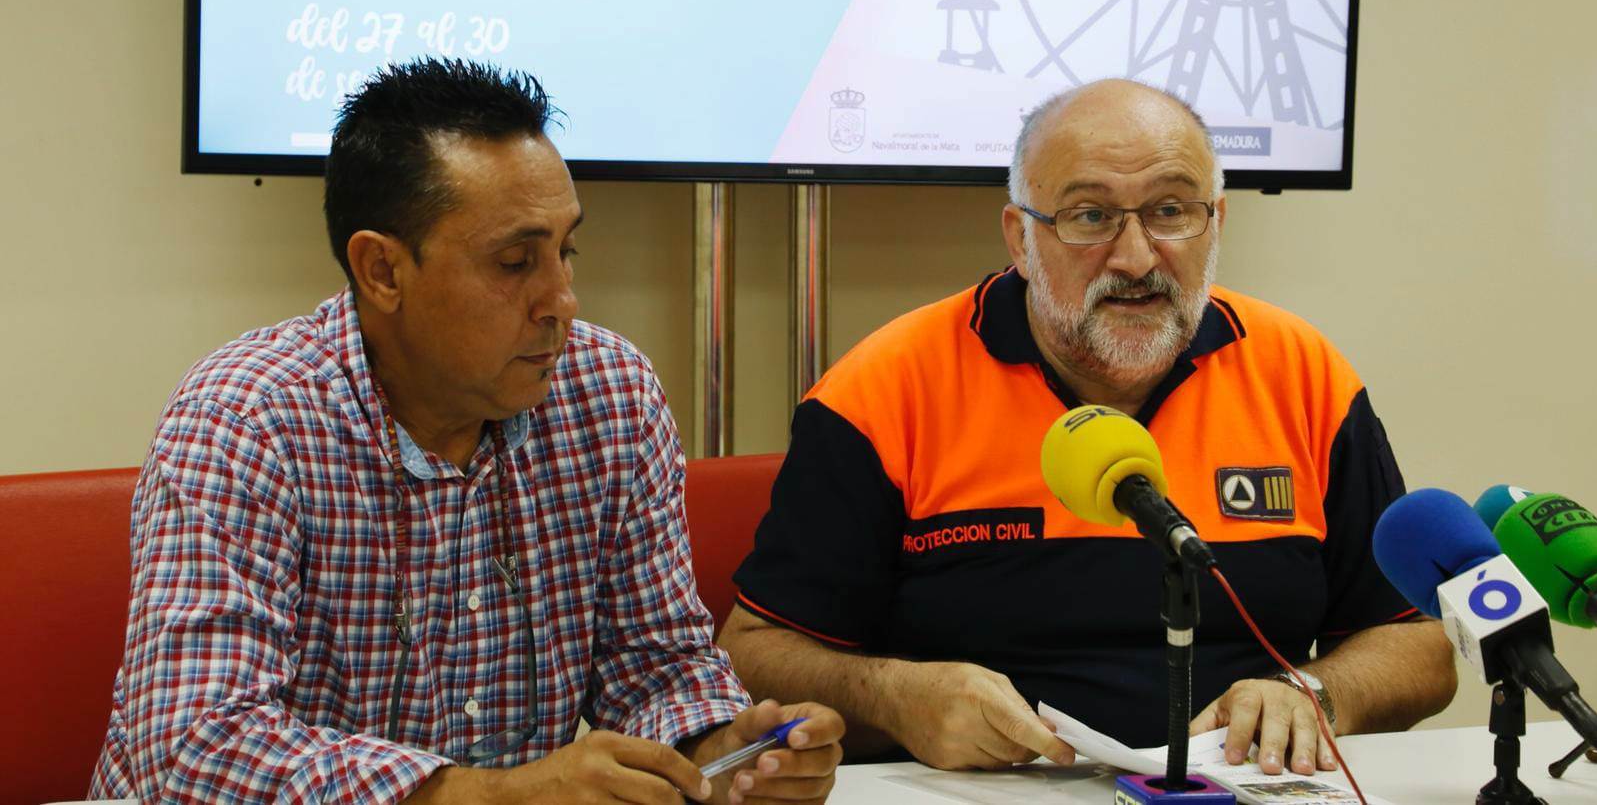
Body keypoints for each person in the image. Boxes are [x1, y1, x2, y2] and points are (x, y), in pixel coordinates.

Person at [88, 59, 843, 804]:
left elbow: (653, 667)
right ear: (382, 270)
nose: (562, 300)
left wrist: (721, 748)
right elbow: (194, 748)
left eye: (565, 250)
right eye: (516, 262)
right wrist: (493, 795)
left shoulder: (609, 394)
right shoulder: (247, 420)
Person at [720, 79, 1456, 778]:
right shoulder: (885, 389)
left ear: (1215, 222)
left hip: (1237, 784)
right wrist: (897, 698)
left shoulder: (1303, 375)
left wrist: (1314, 695)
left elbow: (1418, 643)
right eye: (1089, 216)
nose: (1136, 258)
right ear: (1020, 237)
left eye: (1170, 211)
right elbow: (754, 653)